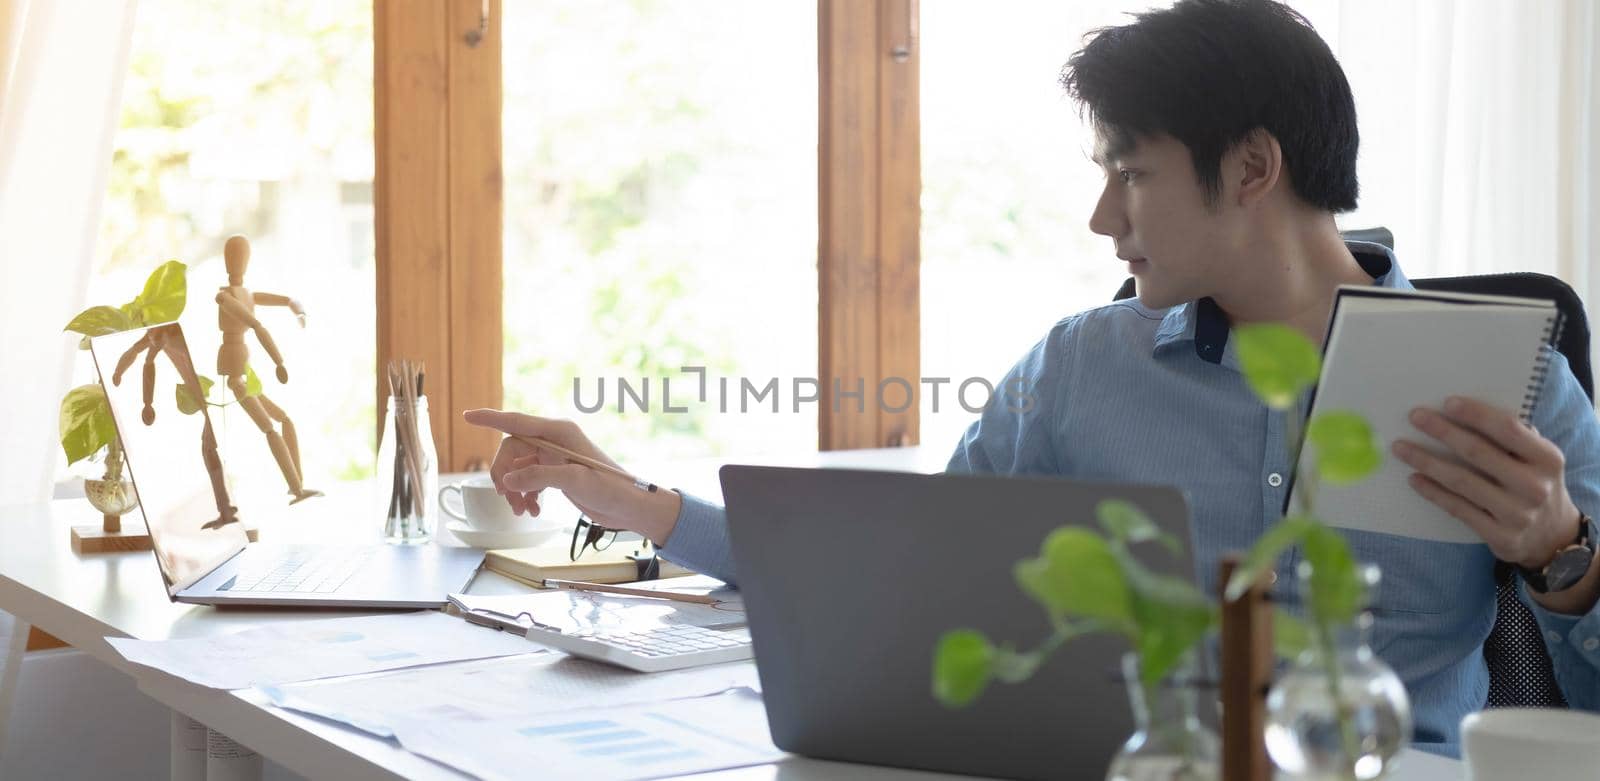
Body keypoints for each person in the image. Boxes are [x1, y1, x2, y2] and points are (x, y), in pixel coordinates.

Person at [466, 0, 1600, 755]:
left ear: (1252, 168)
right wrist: (644, 508)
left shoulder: (1504, 376)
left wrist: (1558, 554)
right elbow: (887, 579)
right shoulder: (1075, 370)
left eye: (1131, 174)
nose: (1102, 216)